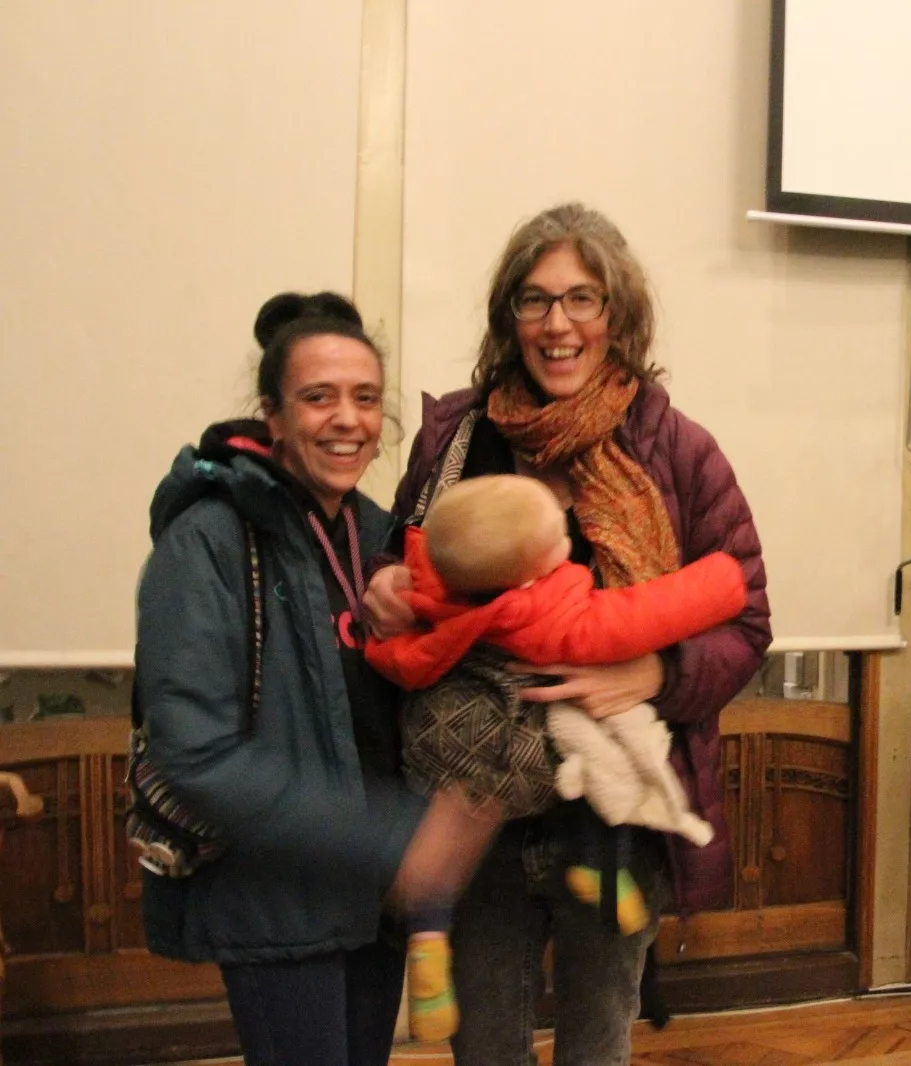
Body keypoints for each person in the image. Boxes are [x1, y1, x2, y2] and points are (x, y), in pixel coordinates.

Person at [362, 202, 771, 1064]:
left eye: (582, 299)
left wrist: (655, 672)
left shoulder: (677, 451)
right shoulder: (453, 439)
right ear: (508, 317)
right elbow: (400, 573)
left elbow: (745, 616)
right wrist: (385, 592)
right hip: (476, 806)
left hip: (608, 816)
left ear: (617, 315)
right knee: (486, 1050)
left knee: (595, 1046)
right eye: (536, 300)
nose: (559, 325)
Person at [134, 292, 493, 1066]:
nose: (347, 419)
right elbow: (192, 753)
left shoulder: (375, 535)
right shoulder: (208, 540)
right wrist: (396, 840)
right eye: (318, 396)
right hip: (280, 902)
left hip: (376, 897)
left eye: (365, 398)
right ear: (272, 414)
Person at [363, 474, 744, 1039]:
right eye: (555, 539)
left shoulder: (439, 603)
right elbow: (642, 613)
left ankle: (425, 938)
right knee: (602, 772)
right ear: (537, 567)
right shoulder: (549, 615)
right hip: (533, 761)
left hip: (444, 760)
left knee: (437, 857)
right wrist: (722, 581)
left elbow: (396, 654)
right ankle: (600, 871)